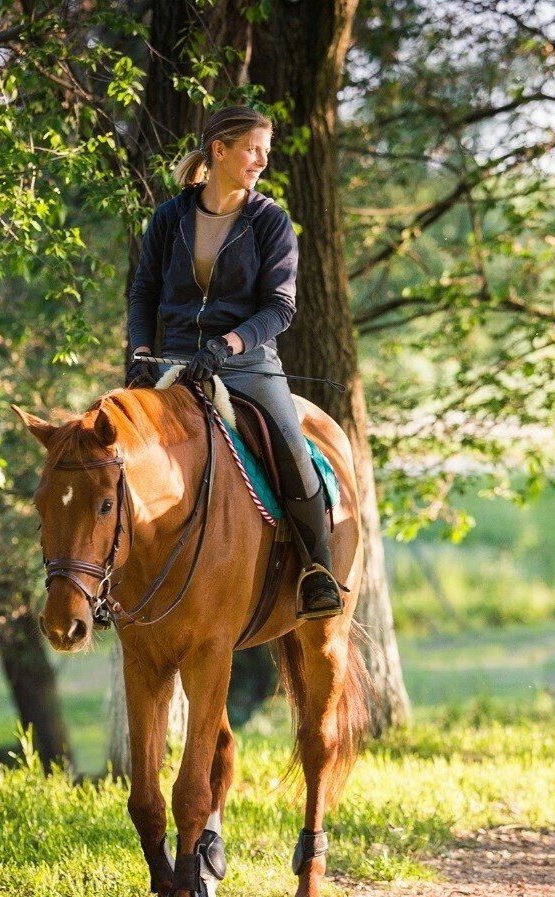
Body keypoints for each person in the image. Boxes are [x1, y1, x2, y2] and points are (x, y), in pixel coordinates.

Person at [125, 106, 342, 620]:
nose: (261, 161)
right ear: (219, 150)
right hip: (172, 362)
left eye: (265, 152)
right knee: (111, 449)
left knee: (291, 446)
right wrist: (138, 352)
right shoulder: (168, 218)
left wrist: (227, 346)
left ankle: (317, 570)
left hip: (247, 364)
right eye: (252, 149)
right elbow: (144, 295)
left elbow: (279, 308)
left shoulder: (270, 222)